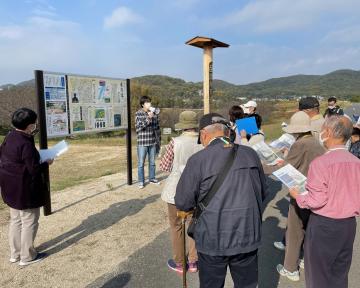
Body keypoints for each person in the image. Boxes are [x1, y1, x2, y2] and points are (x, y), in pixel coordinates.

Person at [175, 113, 267, 288]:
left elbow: (183, 202)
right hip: (247, 234)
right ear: (226, 132)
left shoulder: (198, 160)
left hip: (213, 237)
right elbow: (262, 191)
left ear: (204, 134)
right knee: (247, 284)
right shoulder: (250, 154)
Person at [290, 115, 360, 288]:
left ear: (328, 132)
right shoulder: (356, 162)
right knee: (339, 273)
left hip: (324, 225)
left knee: (318, 275)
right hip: (348, 225)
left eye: (322, 130)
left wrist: (298, 196)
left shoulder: (320, 163)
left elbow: (317, 199)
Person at [275, 111, 325, 281]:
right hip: (315, 191)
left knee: (295, 230)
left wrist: (262, 166)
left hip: (300, 192)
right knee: (308, 228)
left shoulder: (300, 144)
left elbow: (287, 167)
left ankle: (290, 268)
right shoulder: (315, 142)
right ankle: (304, 260)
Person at [0, 108, 53, 266]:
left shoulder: (9, 136)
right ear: (30, 125)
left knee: (16, 220)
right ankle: (27, 256)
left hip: (10, 187)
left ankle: (15, 254)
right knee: (29, 221)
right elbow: (34, 169)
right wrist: (46, 162)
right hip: (25, 189)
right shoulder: (25, 143)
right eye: (34, 123)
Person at [159, 111, 202, 274]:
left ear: (182, 125)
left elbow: (164, 166)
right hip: (197, 190)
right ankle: (193, 261)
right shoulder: (204, 141)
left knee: (176, 227)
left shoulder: (175, 142)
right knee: (194, 225)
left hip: (175, 191)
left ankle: (179, 262)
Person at [135, 96, 161, 189]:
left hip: (152, 141)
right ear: (143, 104)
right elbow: (139, 127)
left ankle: (152, 178)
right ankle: (141, 181)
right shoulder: (139, 113)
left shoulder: (153, 113)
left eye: (150, 102)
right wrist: (148, 118)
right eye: (147, 103)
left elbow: (156, 127)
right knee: (141, 163)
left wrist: (155, 117)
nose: (149, 104)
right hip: (142, 142)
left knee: (152, 162)